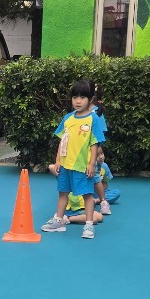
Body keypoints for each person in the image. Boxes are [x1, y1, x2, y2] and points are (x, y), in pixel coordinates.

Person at [42, 79, 106, 239]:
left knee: (87, 195)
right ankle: (58, 221)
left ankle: (89, 225)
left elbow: (94, 143)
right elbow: (62, 141)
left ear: (90, 99)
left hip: (82, 167)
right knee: (63, 193)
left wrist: (91, 164)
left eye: (82, 97)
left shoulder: (93, 119)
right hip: (65, 166)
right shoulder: (67, 118)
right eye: (75, 97)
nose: (78, 101)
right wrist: (58, 160)